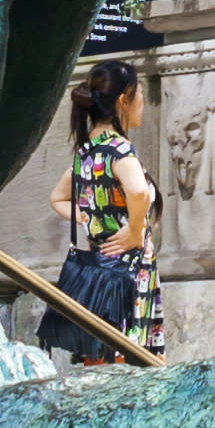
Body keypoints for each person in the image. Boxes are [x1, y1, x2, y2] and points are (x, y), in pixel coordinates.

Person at [32, 57, 152, 358]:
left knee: (98, 355)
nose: (143, 102)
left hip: (97, 270)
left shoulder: (86, 152)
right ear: (124, 100)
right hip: (129, 270)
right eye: (139, 94)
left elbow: (57, 198)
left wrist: (90, 217)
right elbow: (139, 191)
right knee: (133, 359)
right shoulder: (119, 149)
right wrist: (135, 229)